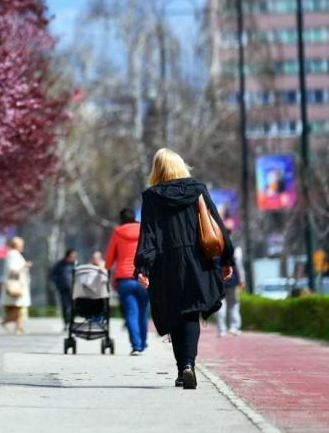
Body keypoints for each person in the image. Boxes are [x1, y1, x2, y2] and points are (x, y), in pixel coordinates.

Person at [135, 148, 234, 390]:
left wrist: (143, 267)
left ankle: (182, 369)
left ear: (157, 169)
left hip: (165, 264)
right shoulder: (198, 190)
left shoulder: (151, 197)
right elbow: (216, 225)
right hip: (198, 260)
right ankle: (188, 366)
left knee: (175, 314)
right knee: (191, 313)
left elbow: (148, 234)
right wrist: (227, 257)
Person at [105, 208, 149, 355]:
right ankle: (142, 343)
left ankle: (136, 346)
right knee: (143, 313)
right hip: (144, 277)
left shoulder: (118, 232)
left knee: (131, 313)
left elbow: (109, 258)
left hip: (124, 278)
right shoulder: (144, 230)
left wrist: (106, 269)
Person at [0, 237, 32, 334]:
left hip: (18, 284)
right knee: (17, 307)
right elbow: (13, 269)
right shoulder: (12, 254)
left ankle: (19, 327)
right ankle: (6, 322)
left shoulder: (15, 254)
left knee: (18, 307)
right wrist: (25, 265)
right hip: (15, 285)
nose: (22, 247)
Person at [216, 245, 246, 337]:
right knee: (234, 304)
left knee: (221, 305)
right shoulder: (235, 247)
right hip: (232, 280)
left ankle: (222, 330)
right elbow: (239, 264)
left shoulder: (215, 246)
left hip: (219, 280)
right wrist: (242, 279)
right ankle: (234, 327)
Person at [51, 249, 77, 330]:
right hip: (64, 289)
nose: (74, 258)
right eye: (72, 256)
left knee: (74, 306)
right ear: (67, 256)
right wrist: (58, 284)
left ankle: (72, 322)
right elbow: (53, 275)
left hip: (75, 289)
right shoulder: (60, 264)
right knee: (65, 307)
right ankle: (66, 323)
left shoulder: (76, 264)